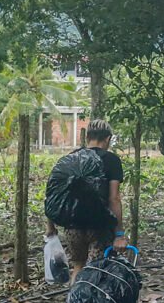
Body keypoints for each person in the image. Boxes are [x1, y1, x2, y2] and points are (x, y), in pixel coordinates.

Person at [45, 119, 127, 281]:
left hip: (73, 225)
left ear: (87, 137)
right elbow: (114, 198)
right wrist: (119, 234)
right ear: (108, 138)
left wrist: (50, 226)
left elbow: (54, 193)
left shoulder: (71, 158)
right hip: (99, 225)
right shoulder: (111, 160)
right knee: (97, 269)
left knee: (78, 266)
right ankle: (91, 296)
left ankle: (74, 296)